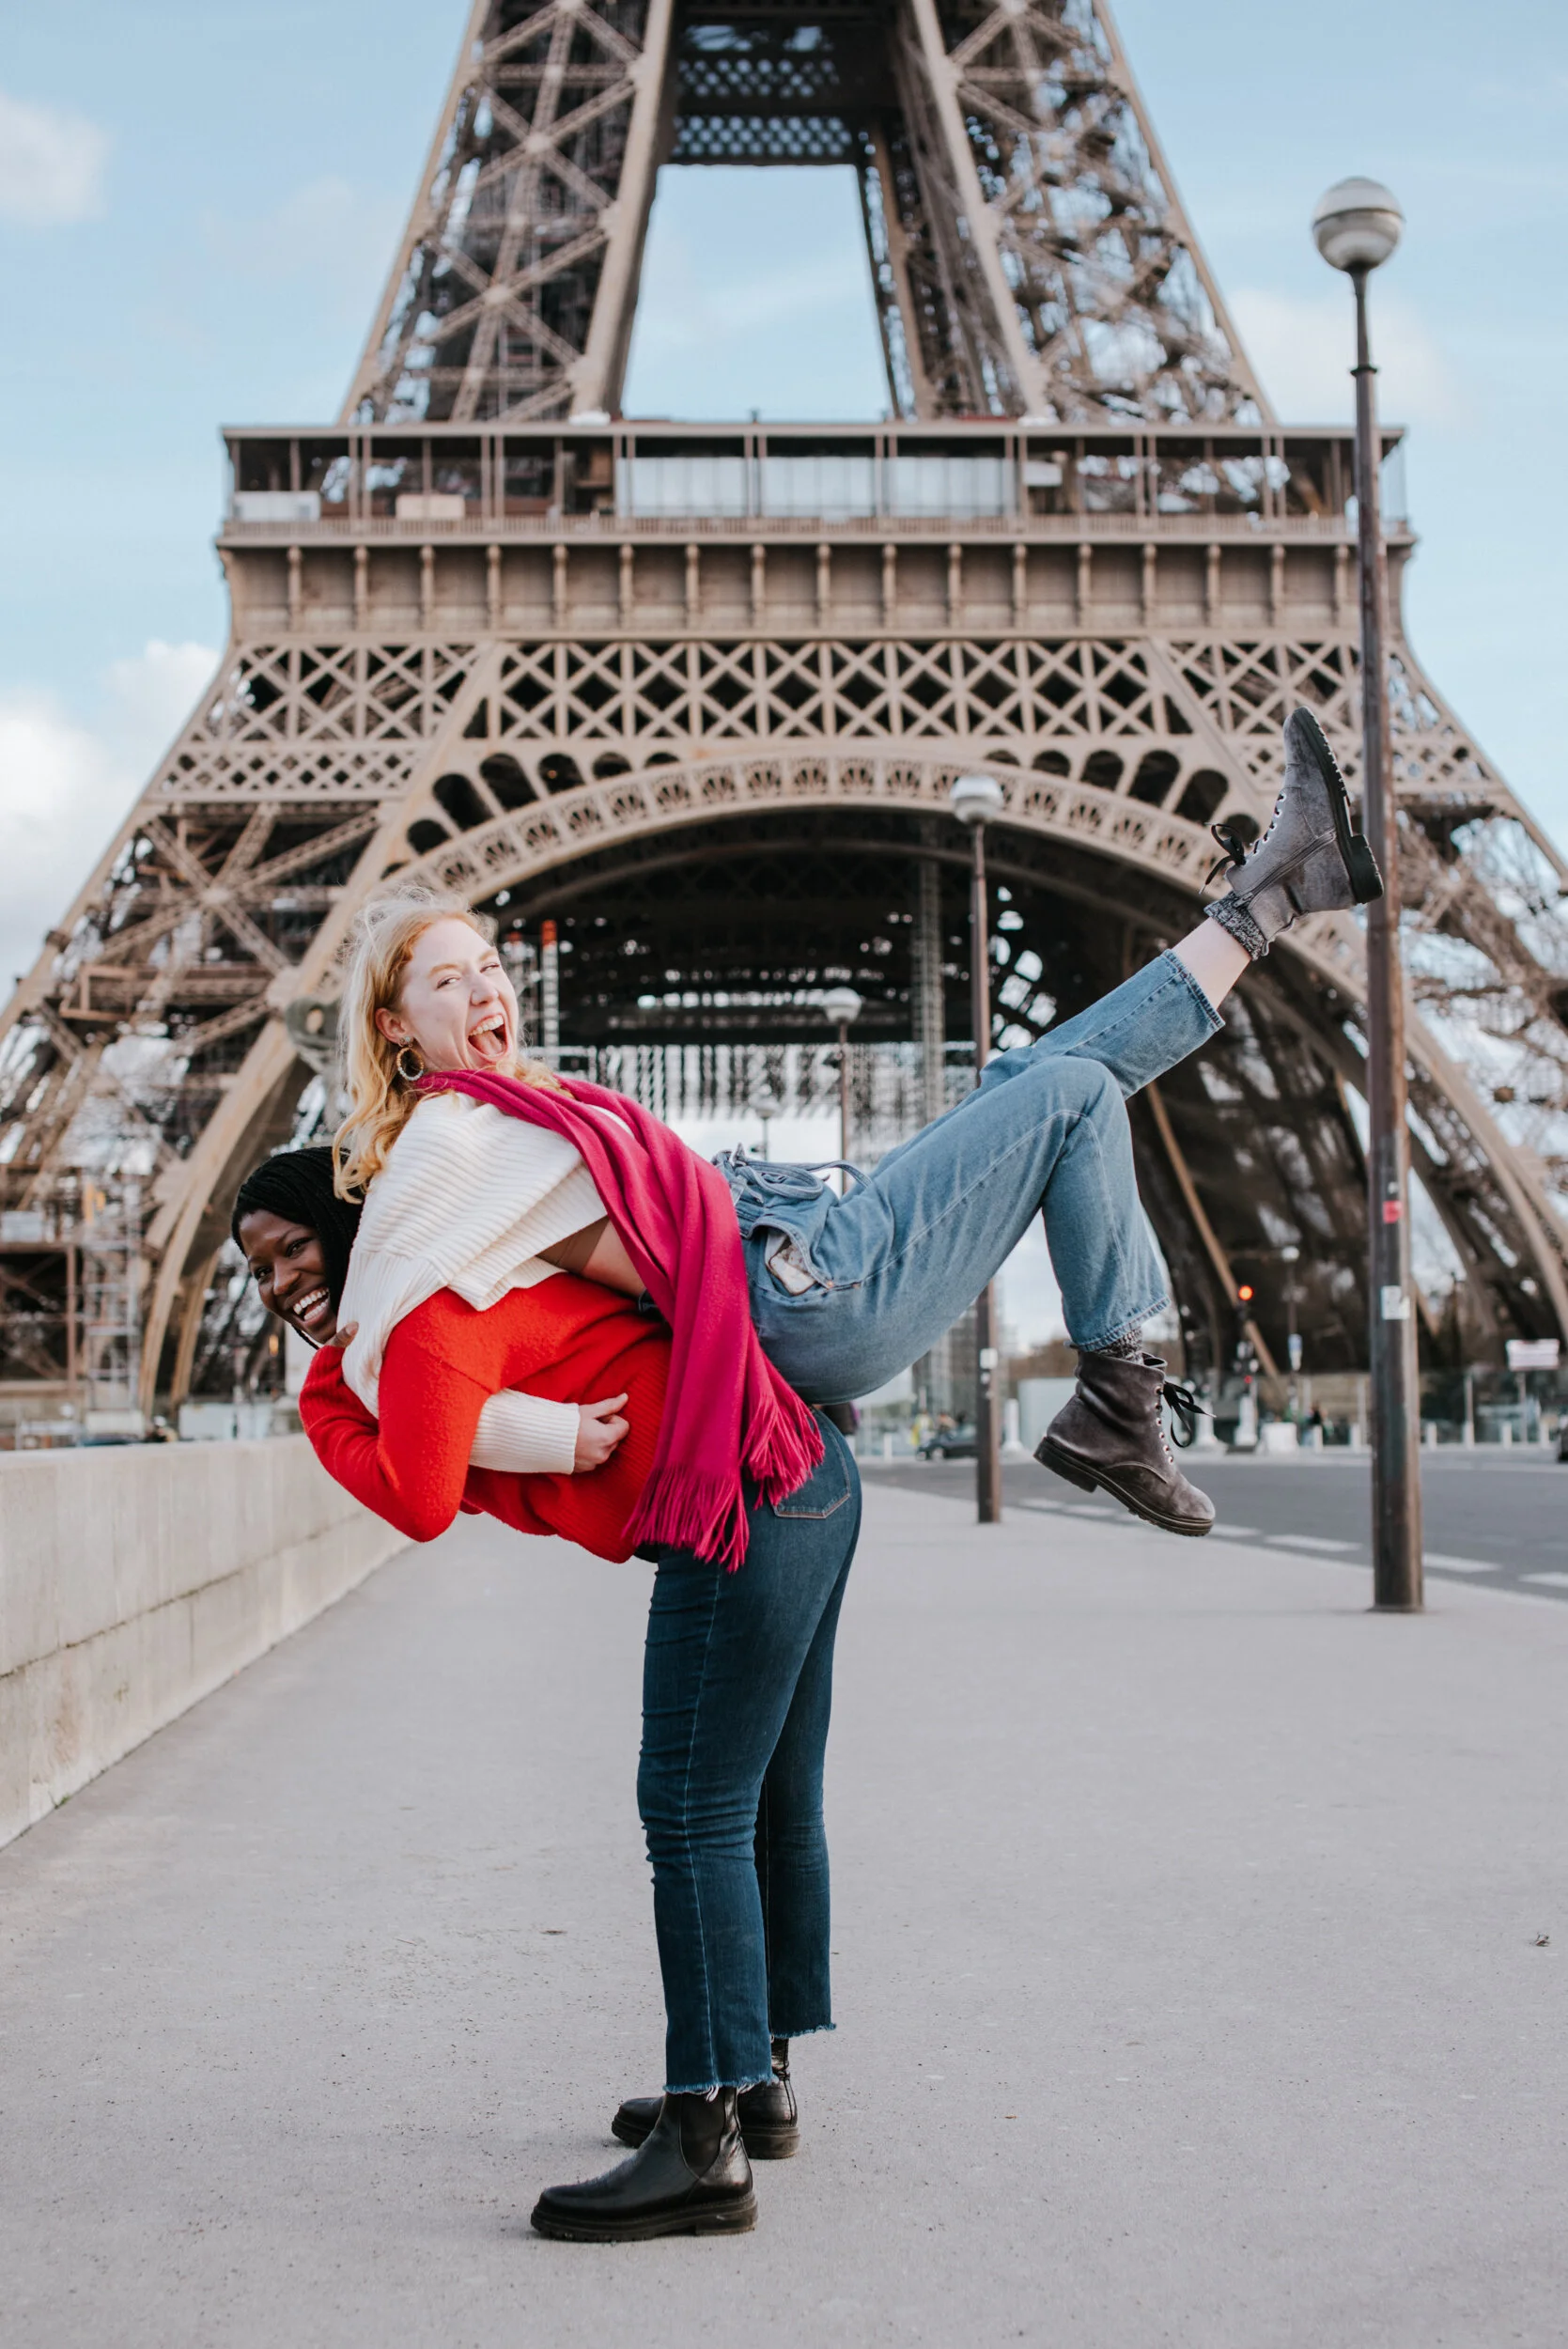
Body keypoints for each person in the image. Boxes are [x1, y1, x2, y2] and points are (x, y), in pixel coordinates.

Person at [331, 707, 1380, 1543]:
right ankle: (1116, 1397)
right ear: (396, 1030)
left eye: (490, 966)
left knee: (1035, 1076)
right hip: (798, 1295)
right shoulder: (442, 1142)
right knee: (1068, 1099)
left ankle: (1273, 897)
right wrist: (543, 1436)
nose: (482, 989)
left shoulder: (505, 1105)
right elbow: (372, 1361)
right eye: (445, 981)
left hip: (799, 1251)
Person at [233, 1145, 860, 2242]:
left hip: (741, 1499)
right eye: (258, 1270)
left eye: (292, 1248)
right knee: (766, 1800)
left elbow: (418, 1491)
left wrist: (407, 1414)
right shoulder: (395, 1336)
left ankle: (705, 2139)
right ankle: (753, 2080)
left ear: (354, 1228)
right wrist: (539, 1433)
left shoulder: (432, 1301)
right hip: (799, 1475)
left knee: (694, 1813)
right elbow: (430, 1460)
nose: (280, 1281)